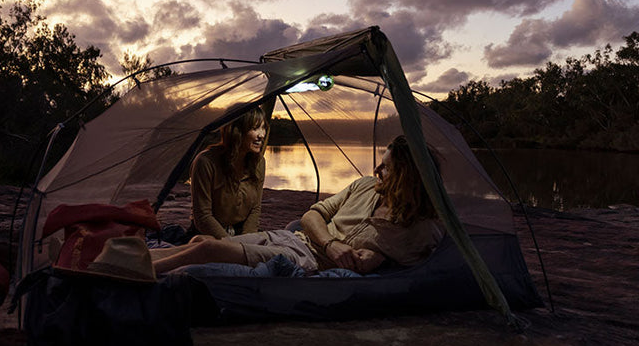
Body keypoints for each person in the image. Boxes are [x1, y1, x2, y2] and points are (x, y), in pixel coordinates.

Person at [153, 135, 444, 276]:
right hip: (294, 239)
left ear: (407, 179)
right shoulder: (363, 186)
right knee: (201, 240)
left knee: (208, 249)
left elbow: (416, 261)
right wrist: (331, 242)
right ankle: (132, 259)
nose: (376, 170)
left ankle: (137, 273)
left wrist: (379, 256)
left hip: (306, 261)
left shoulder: (420, 229)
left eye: (387, 168)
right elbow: (312, 214)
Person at [188, 107, 267, 239]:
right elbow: (203, 216)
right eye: (254, 128)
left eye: (263, 128)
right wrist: (231, 245)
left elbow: (255, 209)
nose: (262, 135)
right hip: (209, 235)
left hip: (241, 234)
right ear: (237, 131)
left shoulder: (259, 163)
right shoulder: (205, 162)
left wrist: (247, 240)